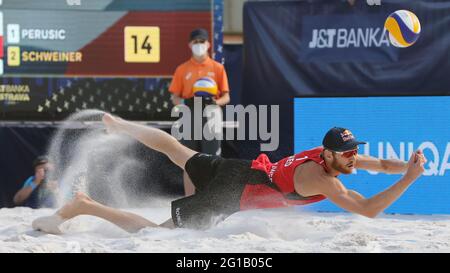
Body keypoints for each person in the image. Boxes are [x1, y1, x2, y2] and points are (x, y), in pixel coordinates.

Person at [32, 114, 426, 234]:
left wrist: (404, 167)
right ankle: (84, 206)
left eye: (355, 152)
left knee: (176, 149)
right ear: (328, 155)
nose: (355, 159)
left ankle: (119, 124)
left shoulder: (335, 159)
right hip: (232, 193)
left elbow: (381, 164)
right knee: (157, 234)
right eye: (347, 155)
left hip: (241, 170)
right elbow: (369, 209)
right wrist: (408, 181)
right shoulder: (322, 179)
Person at [168, 28, 231, 196]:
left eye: (201, 41)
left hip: (211, 114)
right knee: (188, 159)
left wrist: (215, 102)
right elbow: (174, 97)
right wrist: (184, 102)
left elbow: (226, 97)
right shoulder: (182, 69)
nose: (199, 45)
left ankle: (210, 198)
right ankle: (190, 199)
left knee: (212, 159)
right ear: (190, 45)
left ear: (208, 44)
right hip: (189, 113)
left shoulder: (217, 68)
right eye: (195, 42)